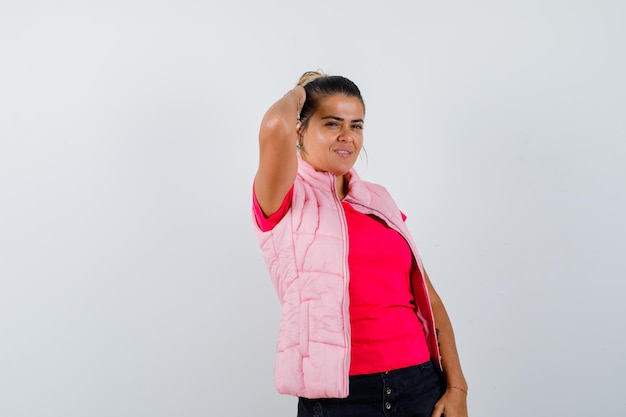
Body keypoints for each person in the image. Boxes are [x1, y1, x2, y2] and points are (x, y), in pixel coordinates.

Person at [252, 70, 468, 417]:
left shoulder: (377, 199)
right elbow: (275, 125)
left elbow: (427, 295)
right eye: (332, 123)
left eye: (357, 125)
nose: (346, 136)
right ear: (300, 129)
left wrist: (457, 386)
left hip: (421, 385)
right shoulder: (285, 197)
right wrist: (299, 91)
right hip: (340, 401)